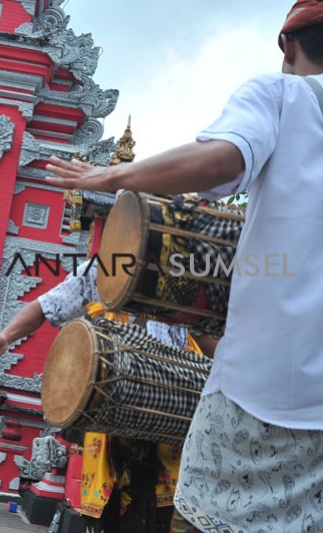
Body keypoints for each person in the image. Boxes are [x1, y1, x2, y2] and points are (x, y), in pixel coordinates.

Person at [44, 3, 323, 529]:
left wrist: (110, 177)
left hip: (263, 393)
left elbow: (222, 159)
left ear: (288, 45)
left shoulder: (282, 95)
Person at [0, 261, 206, 532]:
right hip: (110, 425)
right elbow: (45, 306)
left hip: (170, 422)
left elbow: (207, 338)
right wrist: (5, 336)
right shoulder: (102, 271)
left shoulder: (188, 277)